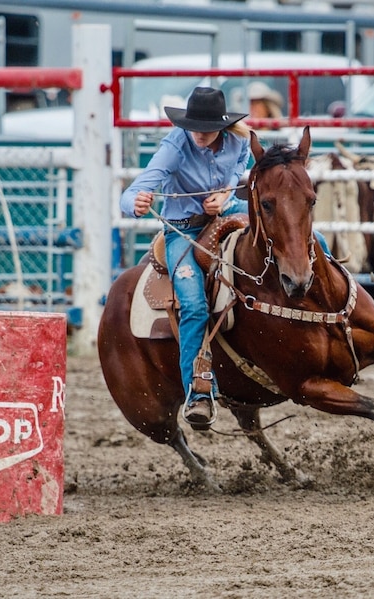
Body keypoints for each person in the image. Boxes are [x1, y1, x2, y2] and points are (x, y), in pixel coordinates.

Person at [120, 87, 250, 430]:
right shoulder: (175, 146)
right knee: (192, 303)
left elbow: (240, 167)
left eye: (206, 128)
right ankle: (198, 391)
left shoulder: (240, 142)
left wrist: (226, 193)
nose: (199, 134)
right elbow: (137, 188)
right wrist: (135, 203)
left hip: (228, 212)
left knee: (296, 233)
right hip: (183, 229)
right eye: (194, 127)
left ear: (221, 127)